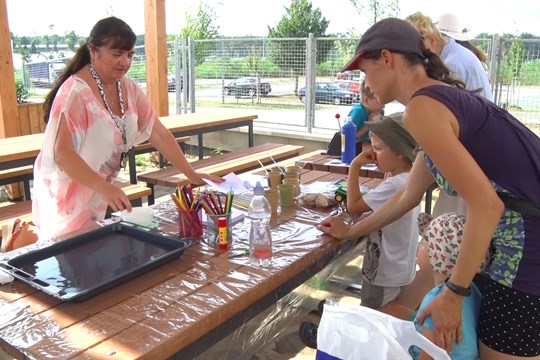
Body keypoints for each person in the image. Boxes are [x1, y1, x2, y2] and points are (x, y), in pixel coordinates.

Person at [317, 17, 540, 359]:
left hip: (527, 247)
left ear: (388, 59)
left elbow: (487, 205)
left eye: (366, 70)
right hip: (517, 241)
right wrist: (352, 232)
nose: (366, 82)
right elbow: (408, 197)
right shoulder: (437, 100)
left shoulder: (422, 109)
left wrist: (455, 291)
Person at [33, 16, 222, 240]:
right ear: (93, 51)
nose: (125, 61)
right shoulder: (75, 93)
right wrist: (104, 187)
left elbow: (158, 132)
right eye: (116, 54)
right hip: (64, 201)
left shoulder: (128, 87)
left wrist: (191, 173)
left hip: (97, 198)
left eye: (130, 54)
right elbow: (62, 155)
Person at [299, 113, 421, 349]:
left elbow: (354, 207)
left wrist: (354, 165)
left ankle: (356, 347)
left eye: (378, 148)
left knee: (374, 327)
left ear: (398, 152)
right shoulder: (405, 178)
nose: (372, 153)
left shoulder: (396, 183)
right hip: (400, 270)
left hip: (384, 276)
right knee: (385, 324)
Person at [406, 12, 494, 218]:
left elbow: (441, 125)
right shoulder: (458, 56)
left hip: (473, 158)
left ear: (432, 40)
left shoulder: (452, 65)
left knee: (448, 229)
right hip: (476, 154)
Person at [410, 212, 489, 359]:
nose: (419, 247)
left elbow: (427, 357)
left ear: (438, 258)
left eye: (424, 245)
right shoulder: (471, 289)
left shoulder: (437, 302)